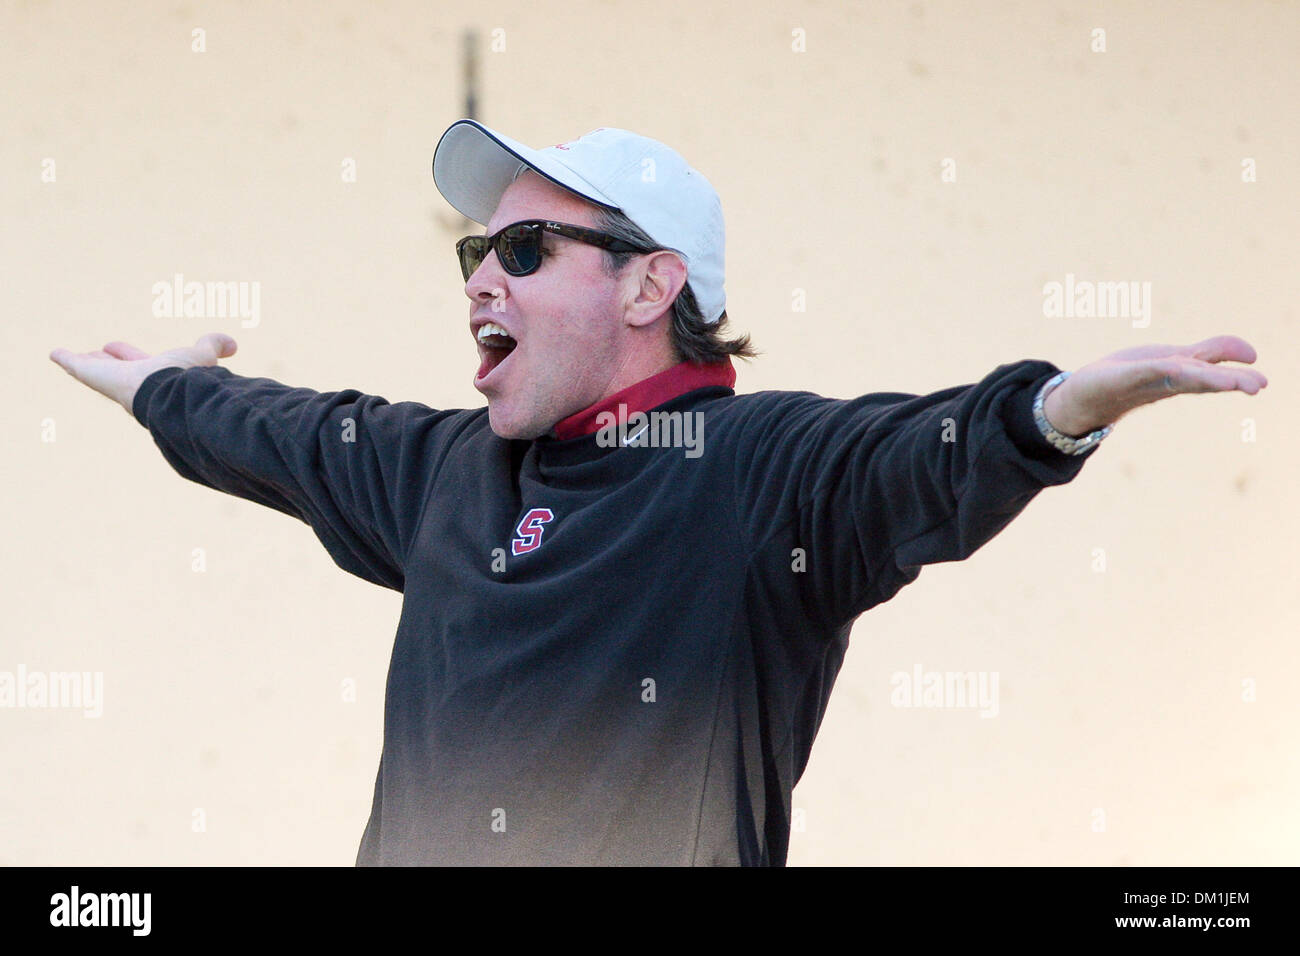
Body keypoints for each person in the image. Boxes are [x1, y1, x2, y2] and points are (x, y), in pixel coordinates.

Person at [49, 119, 1268, 866]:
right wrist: (162, 389)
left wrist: (1055, 407)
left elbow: (921, 456)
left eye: (524, 251)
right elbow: (290, 431)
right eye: (478, 252)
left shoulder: (757, 472)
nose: (483, 277)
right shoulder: (443, 475)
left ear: (649, 287)